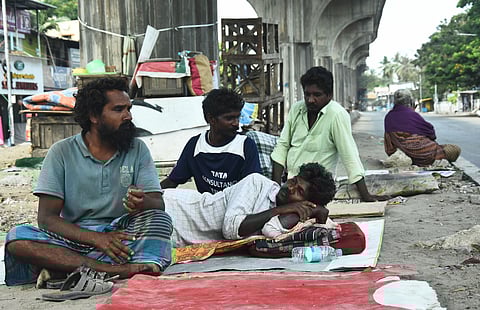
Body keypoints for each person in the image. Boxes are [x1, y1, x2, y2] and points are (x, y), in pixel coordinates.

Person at [4, 77, 173, 286]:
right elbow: (47, 219)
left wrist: (143, 202)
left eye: (128, 109)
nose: (128, 116)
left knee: (160, 220)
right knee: (17, 238)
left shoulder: (137, 149)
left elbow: (158, 203)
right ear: (94, 116)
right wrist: (97, 240)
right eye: (118, 110)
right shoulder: (62, 152)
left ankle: (64, 268)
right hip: (74, 238)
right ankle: (113, 270)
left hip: (120, 236)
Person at [270, 66, 384, 202]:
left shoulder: (337, 115)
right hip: (290, 183)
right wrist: (275, 187)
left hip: (312, 189)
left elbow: (349, 156)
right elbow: (282, 146)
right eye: (307, 94)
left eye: (317, 95)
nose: (310, 100)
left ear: (329, 95)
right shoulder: (297, 109)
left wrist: (366, 196)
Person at [164, 162, 333, 247]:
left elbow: (325, 225)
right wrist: (280, 210)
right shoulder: (256, 183)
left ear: (307, 203)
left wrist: (316, 212)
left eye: (299, 192)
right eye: (293, 181)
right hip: (177, 210)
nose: (290, 188)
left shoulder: (294, 216)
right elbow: (231, 229)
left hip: (186, 237)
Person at [160, 88, 261, 193]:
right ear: (211, 119)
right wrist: (151, 196)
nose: (236, 123)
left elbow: (252, 189)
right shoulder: (195, 145)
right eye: (229, 118)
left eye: (238, 117)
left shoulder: (245, 145)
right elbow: (173, 181)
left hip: (238, 205)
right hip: (207, 206)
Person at [384, 89, 461, 166]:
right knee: (454, 149)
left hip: (401, 155)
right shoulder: (412, 115)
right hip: (425, 155)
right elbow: (431, 133)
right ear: (410, 101)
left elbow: (388, 141)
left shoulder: (388, 117)